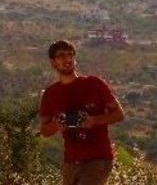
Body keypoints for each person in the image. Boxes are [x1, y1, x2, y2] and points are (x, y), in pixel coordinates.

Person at [39, 40, 125, 185]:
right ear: (53, 62)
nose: (67, 59)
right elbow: (44, 130)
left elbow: (119, 114)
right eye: (61, 56)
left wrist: (93, 120)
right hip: (71, 162)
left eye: (70, 55)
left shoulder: (94, 84)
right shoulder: (50, 93)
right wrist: (58, 124)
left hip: (98, 159)